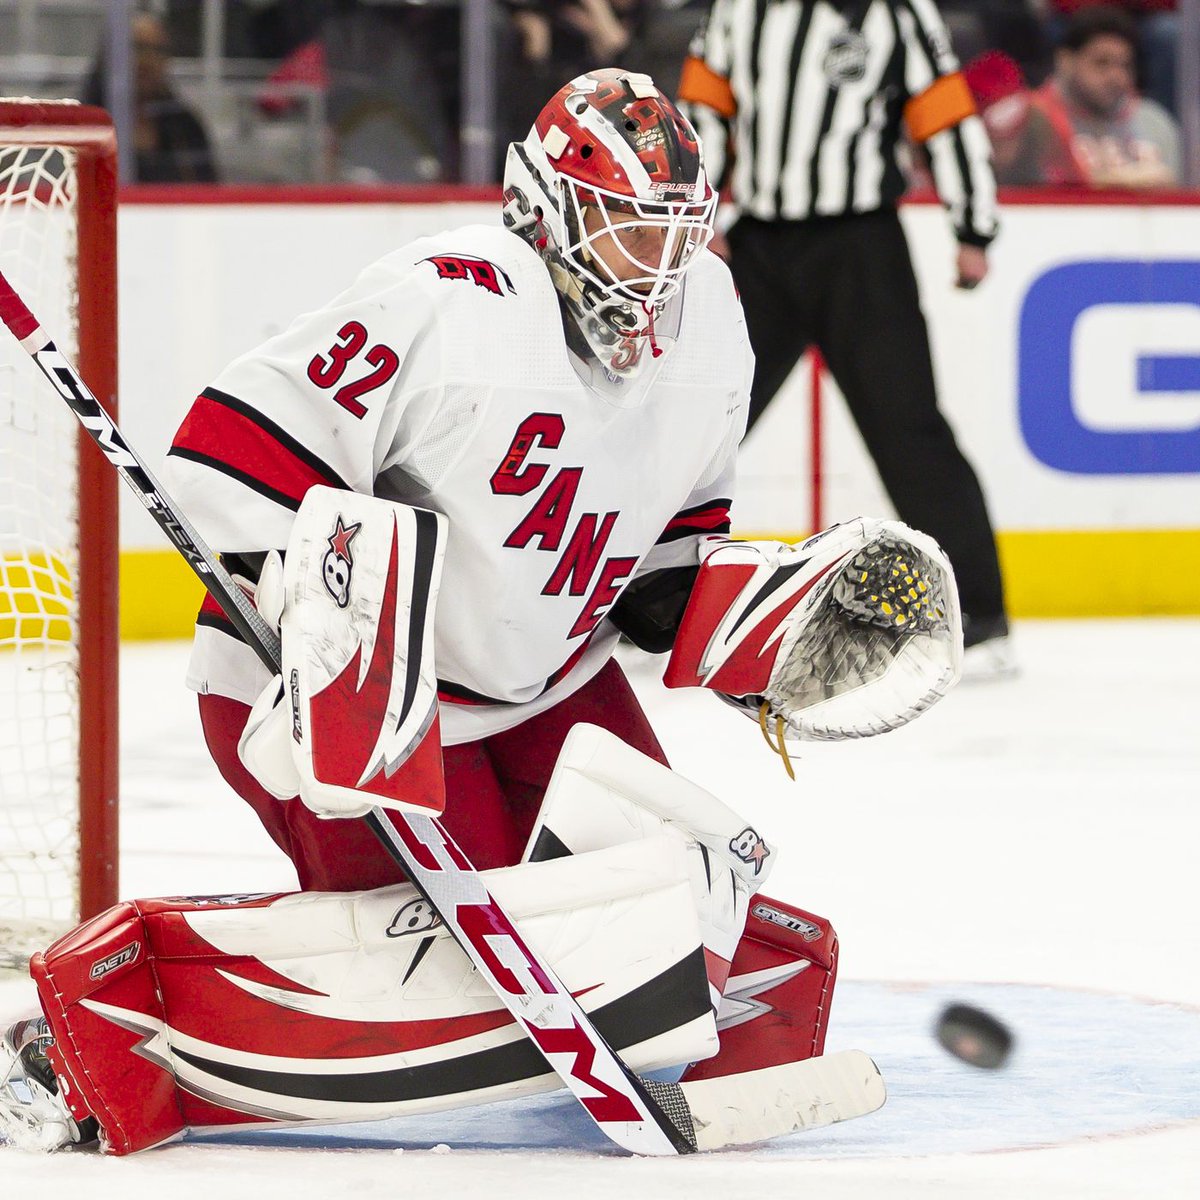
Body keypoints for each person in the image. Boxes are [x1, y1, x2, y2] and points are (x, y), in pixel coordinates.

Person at [1, 69, 960, 1154]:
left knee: (667, 904)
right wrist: (326, 638)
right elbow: (231, 446)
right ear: (547, 209)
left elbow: (661, 563)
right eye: (627, 231)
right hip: (349, 689)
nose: (659, 271)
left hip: (549, 683)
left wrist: (760, 626)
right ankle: (66, 1044)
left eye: (677, 235)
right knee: (440, 966)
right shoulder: (448, 302)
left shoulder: (715, 326)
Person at [678, 0, 1013, 671]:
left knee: (908, 429)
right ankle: (642, 604)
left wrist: (972, 225)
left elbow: (943, 116)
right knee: (699, 426)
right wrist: (701, 211)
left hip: (861, 246)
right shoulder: (742, 9)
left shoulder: (896, 11)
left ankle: (984, 617)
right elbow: (702, 106)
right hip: (761, 248)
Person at [1035, 5, 1182, 188]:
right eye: (1102, 63)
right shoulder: (1034, 121)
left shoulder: (1155, 122)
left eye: (1125, 65)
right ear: (1065, 61)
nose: (1116, 77)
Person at [81, 11, 219, 184]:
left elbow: (207, 191)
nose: (148, 60)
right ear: (109, 53)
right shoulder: (82, 122)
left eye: (158, 50)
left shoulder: (184, 126)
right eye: (137, 47)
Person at [963, 49, 1090, 186]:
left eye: (1010, 137)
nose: (1003, 151)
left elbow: (1080, 189)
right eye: (994, 140)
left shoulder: (1047, 125)